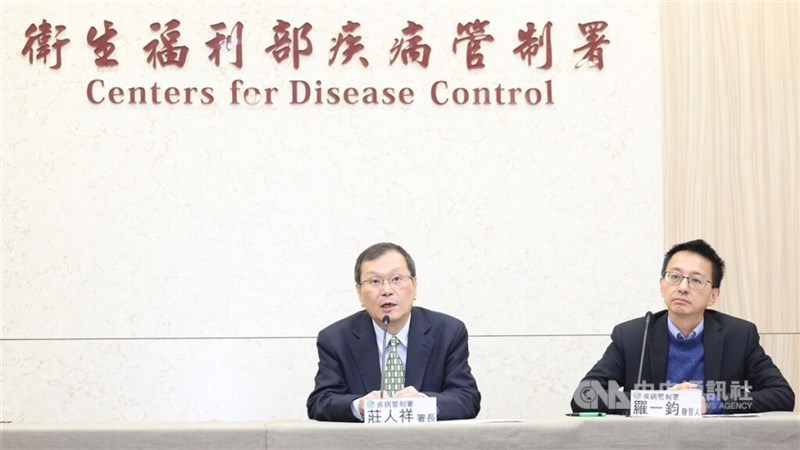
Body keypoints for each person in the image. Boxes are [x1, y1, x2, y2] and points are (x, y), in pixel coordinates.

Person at [571, 239, 795, 414]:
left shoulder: (739, 336)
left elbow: (783, 395)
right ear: (662, 285)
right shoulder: (633, 336)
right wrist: (661, 401)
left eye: (696, 280)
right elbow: (585, 396)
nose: (683, 287)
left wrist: (711, 403)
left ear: (713, 295)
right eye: (674, 277)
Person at [307, 242, 481, 422]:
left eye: (396, 279)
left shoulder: (448, 332)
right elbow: (320, 402)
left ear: (414, 285)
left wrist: (422, 403)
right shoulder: (336, 339)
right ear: (359, 292)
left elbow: (467, 398)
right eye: (374, 281)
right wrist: (359, 405)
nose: (386, 291)